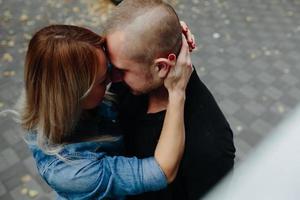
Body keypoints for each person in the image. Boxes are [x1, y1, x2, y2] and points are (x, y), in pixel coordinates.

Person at [21, 24, 193, 199]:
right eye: (103, 80)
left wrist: (163, 35)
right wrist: (177, 92)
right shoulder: (72, 172)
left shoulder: (46, 88)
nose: (116, 77)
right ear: (74, 96)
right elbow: (163, 170)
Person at [104, 0, 236, 199]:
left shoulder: (210, 144)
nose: (112, 78)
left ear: (162, 67)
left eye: (122, 70)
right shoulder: (127, 84)